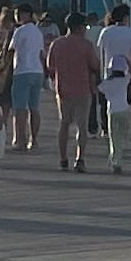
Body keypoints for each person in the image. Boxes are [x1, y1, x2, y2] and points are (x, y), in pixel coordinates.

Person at [46, 14, 105, 170]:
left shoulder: (56, 44)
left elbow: (50, 67)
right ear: (79, 28)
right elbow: (95, 65)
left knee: (64, 124)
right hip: (83, 89)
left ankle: (63, 159)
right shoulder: (86, 45)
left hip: (63, 89)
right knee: (82, 125)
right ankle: (80, 159)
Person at [96, 2, 131, 171]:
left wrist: (99, 74)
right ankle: (121, 141)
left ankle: (113, 143)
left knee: (110, 107)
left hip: (108, 75)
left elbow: (100, 53)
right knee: (124, 107)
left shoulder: (105, 32)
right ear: (126, 17)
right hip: (127, 76)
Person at [7, 8, 50, 152]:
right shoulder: (37, 32)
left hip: (22, 71)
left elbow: (11, 50)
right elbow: (41, 53)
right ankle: (34, 140)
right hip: (37, 70)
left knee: (20, 108)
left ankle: (21, 140)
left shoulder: (20, 31)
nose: (17, 16)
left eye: (19, 13)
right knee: (34, 108)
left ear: (27, 15)